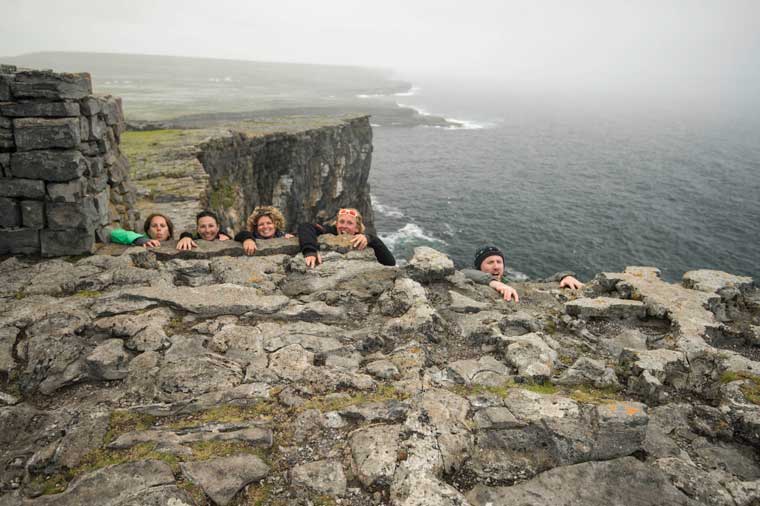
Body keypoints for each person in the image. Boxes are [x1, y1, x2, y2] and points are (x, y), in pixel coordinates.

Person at [463, 245, 583, 302]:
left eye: (499, 262)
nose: (496, 267)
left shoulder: (510, 282)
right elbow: (464, 272)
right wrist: (494, 283)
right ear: (479, 267)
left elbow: (540, 283)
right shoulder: (471, 279)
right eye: (490, 262)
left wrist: (565, 276)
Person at [298, 207, 395, 267]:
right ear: (336, 224)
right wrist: (310, 251)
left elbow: (390, 262)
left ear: (357, 228)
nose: (344, 226)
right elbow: (306, 226)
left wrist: (369, 238)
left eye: (349, 223)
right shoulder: (329, 232)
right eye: (341, 221)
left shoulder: (362, 239)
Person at [109, 213, 174, 248]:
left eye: (162, 226)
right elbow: (114, 233)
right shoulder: (143, 239)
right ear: (148, 231)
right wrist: (138, 239)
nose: (159, 229)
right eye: (154, 226)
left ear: (169, 232)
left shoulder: (176, 243)